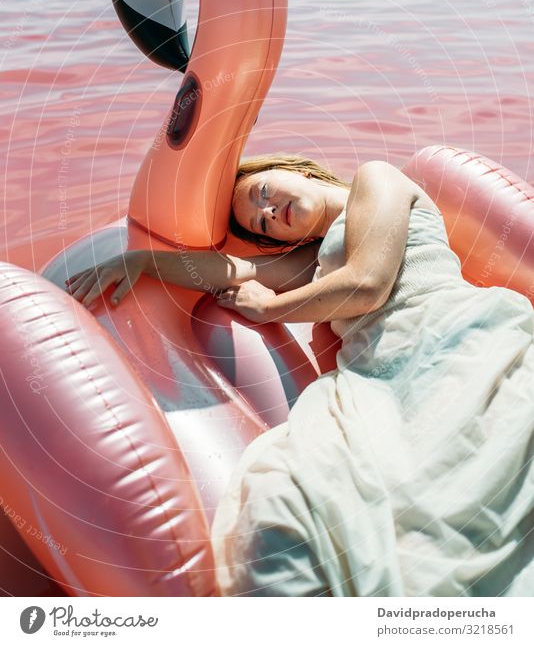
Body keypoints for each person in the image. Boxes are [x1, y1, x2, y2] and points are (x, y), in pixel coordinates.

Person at [65, 154, 534, 597]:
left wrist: (270, 307)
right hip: (380, 372)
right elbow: (233, 271)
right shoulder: (316, 259)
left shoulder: (377, 178)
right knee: (291, 500)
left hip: (450, 334)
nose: (269, 209)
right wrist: (143, 261)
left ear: (295, 169)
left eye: (263, 191)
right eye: (261, 222)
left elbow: (367, 285)